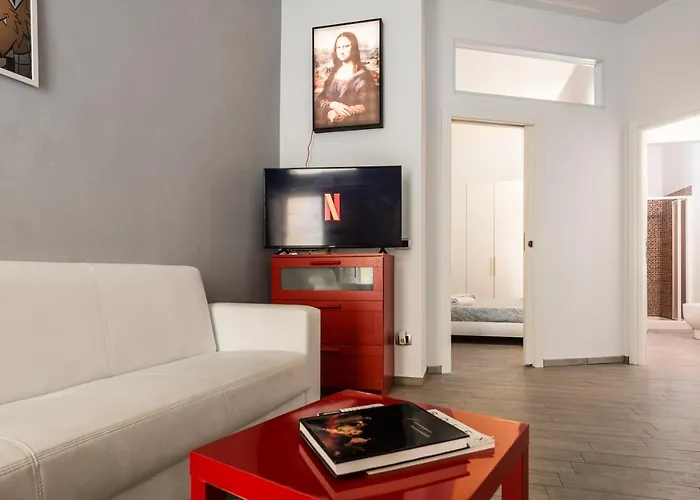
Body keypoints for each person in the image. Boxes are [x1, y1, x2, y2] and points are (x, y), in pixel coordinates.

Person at [315, 31, 379, 129]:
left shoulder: (363, 76)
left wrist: (342, 113)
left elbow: (368, 106)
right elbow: (320, 99)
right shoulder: (332, 75)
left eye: (346, 46)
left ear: (354, 47)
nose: (342, 51)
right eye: (338, 47)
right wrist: (332, 105)